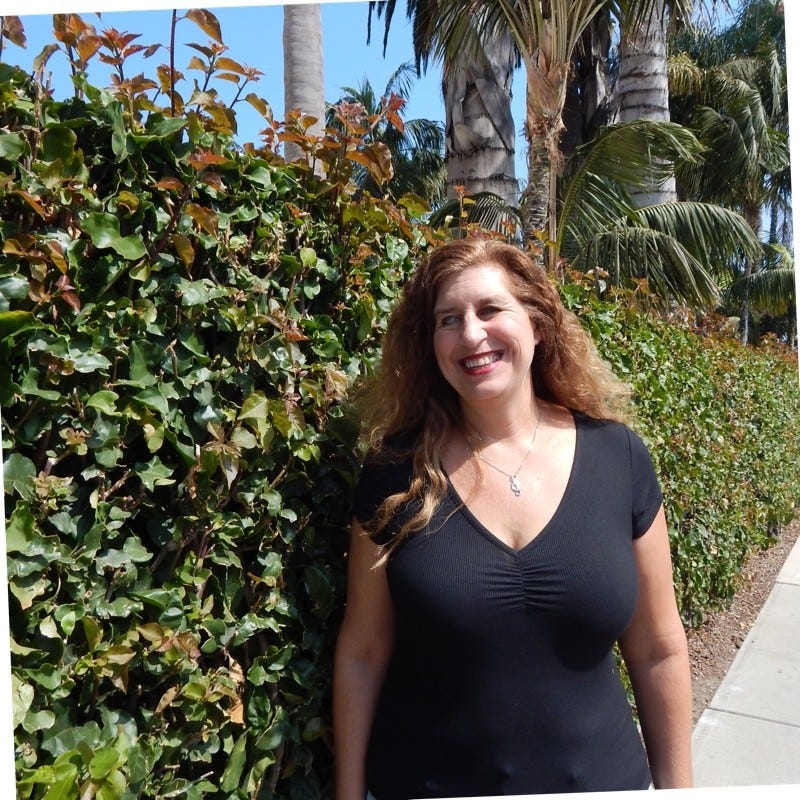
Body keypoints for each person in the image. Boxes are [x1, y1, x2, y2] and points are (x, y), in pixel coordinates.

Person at [333, 236, 692, 800]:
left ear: (537, 323)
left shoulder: (617, 456)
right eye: (448, 319)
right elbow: (363, 651)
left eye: (490, 309)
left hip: (605, 786)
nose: (471, 334)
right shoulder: (394, 474)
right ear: (430, 344)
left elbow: (657, 648)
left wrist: (680, 793)